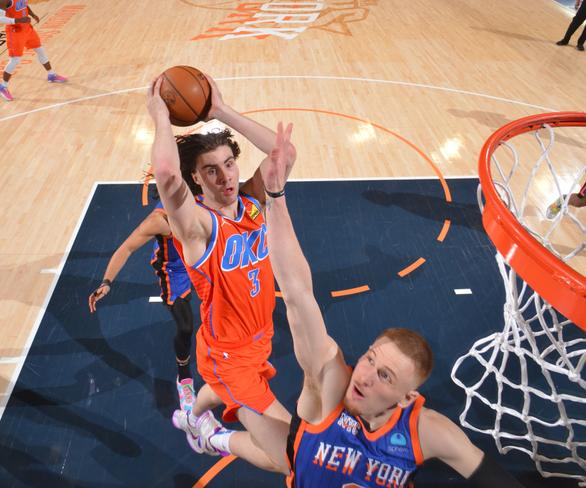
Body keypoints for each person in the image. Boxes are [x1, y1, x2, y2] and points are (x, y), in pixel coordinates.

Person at [195, 123, 524, 487]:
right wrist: (276, 196)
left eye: (385, 376)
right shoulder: (330, 385)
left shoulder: (426, 432)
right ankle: (214, 433)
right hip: (240, 353)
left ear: (407, 397)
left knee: (283, 458)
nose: (364, 375)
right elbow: (297, 292)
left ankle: (214, 434)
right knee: (282, 458)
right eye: (369, 358)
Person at [147, 74, 292, 471]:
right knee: (293, 456)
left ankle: (192, 416)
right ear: (196, 178)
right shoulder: (197, 227)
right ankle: (213, 438)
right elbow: (164, 175)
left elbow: (284, 153)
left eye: (229, 163)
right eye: (211, 170)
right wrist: (160, 116)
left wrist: (221, 111)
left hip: (259, 337)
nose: (225, 176)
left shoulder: (251, 203)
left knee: (218, 392)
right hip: (228, 355)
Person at [88, 200, 197, 412]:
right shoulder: (158, 221)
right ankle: (184, 378)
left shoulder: (206, 198)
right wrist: (106, 282)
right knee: (185, 327)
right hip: (175, 268)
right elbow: (127, 247)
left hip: (202, 256)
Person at [0, 0, 68, 101]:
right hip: (15, 32)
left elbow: (23, 4)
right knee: (15, 60)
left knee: (40, 50)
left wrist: (32, 14)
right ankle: (2, 87)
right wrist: (17, 20)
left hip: (27, 28)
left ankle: (51, 74)